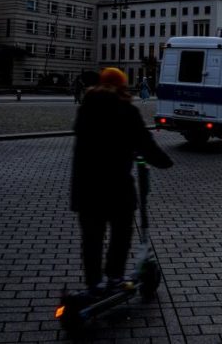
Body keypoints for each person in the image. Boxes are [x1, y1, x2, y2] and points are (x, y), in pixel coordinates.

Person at [71, 67, 173, 294]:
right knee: (121, 233)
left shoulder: (86, 109)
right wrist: (164, 162)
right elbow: (146, 144)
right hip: (115, 186)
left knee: (92, 238)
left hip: (85, 187)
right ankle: (114, 277)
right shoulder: (125, 110)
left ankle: (94, 283)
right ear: (122, 86)